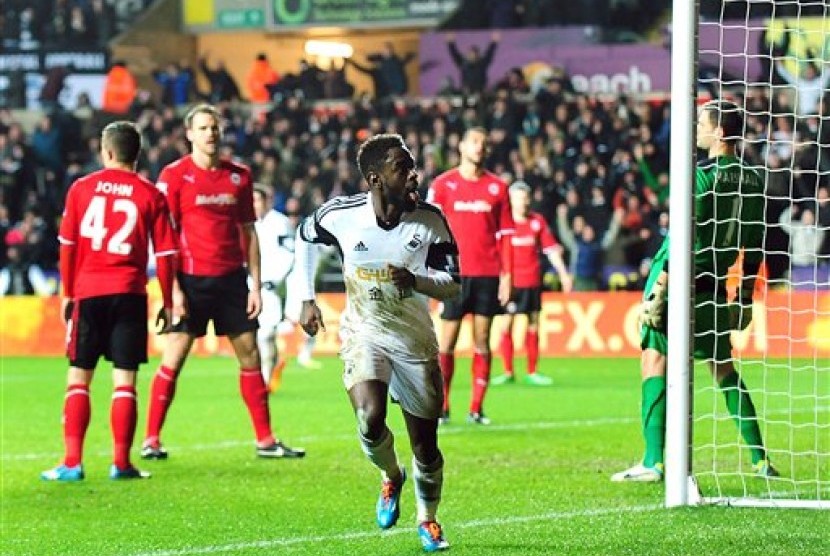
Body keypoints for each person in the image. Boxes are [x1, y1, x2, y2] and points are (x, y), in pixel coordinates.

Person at [295, 133, 458, 552]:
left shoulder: (431, 220)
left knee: (426, 445)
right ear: (375, 179)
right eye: (402, 168)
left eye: (411, 165)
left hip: (414, 340)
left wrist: (417, 280)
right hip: (364, 332)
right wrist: (306, 298)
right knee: (369, 417)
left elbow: (454, 286)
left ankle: (428, 518)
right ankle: (390, 477)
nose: (413, 174)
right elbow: (304, 237)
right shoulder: (342, 215)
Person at [612, 100, 778, 482]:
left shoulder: (700, 175)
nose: (697, 128)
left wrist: (660, 288)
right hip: (717, 289)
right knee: (723, 370)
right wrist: (745, 296)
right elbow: (754, 245)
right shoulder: (755, 180)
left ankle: (653, 462)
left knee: (654, 361)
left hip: (680, 284)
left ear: (720, 132)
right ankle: (760, 458)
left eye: (702, 122)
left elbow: (683, 238)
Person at [140, 104, 304, 460]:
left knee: (250, 355)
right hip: (191, 281)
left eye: (214, 127)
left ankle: (265, 439)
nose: (210, 133)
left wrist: (255, 285)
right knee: (175, 357)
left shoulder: (239, 177)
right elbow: (165, 237)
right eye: (203, 128)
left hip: (232, 281)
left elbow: (250, 233)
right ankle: (151, 438)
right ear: (189, 134)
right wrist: (173, 291)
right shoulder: (173, 176)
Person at [41, 121, 177, 481]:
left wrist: (67, 292)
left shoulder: (81, 189)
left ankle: (72, 463)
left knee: (79, 379)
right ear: (137, 153)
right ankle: (121, 463)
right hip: (130, 294)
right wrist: (167, 298)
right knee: (125, 382)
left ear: (107, 152)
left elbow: (67, 246)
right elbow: (165, 253)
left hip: (89, 292)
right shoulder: (150, 194)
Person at [427, 127, 515, 425]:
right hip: (452, 275)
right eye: (475, 142)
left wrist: (507, 275)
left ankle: (476, 408)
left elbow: (505, 235)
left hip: (488, 275)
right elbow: (429, 231)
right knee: (446, 344)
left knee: (481, 342)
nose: (480, 147)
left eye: (484, 143)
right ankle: (443, 406)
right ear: (462, 146)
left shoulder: (498, 188)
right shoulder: (442, 185)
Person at [491, 180, 572, 386]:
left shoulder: (537, 222)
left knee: (534, 324)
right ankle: (508, 371)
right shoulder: (503, 223)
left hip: (532, 282)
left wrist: (563, 274)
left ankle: (532, 371)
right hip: (511, 283)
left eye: (526, 198)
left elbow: (551, 250)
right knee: (506, 323)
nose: (523, 202)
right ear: (511, 200)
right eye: (519, 198)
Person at [252, 185, 294, 392]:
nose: (254, 205)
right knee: (257, 336)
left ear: (267, 201)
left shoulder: (280, 223)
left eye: (257, 201)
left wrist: (275, 280)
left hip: (271, 289)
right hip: (250, 287)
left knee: (266, 334)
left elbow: (289, 254)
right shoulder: (247, 224)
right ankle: (271, 367)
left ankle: (265, 381)